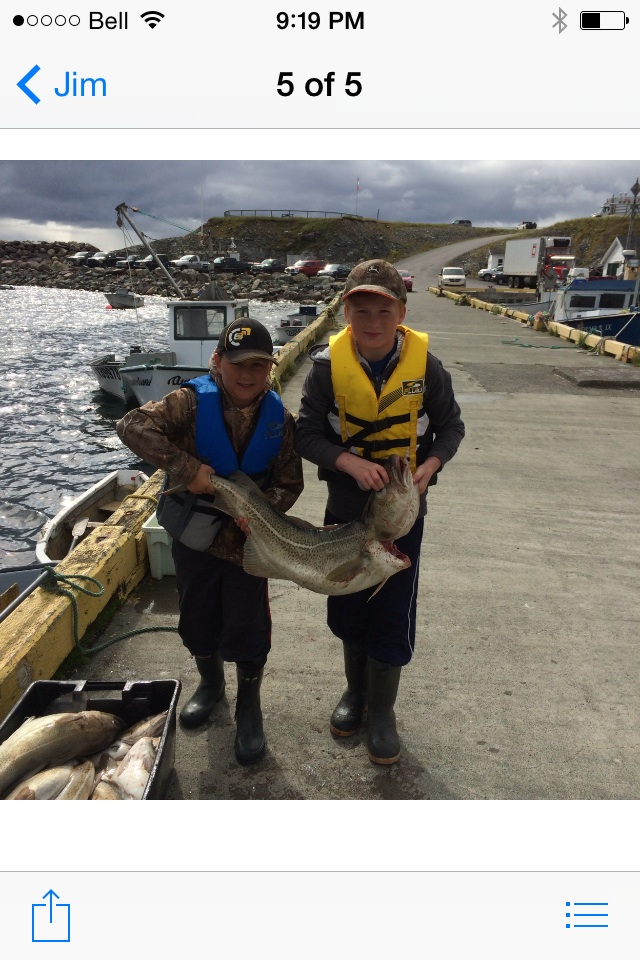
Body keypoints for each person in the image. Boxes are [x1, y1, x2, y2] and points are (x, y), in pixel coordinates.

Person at [295, 260, 465, 765]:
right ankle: (355, 692)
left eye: (383, 310)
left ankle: (383, 711)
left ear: (402, 313)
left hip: (400, 517)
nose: (372, 321)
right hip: (346, 512)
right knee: (348, 599)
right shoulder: (326, 367)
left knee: (391, 610)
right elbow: (306, 432)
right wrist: (345, 460)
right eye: (361, 309)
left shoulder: (427, 367)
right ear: (345, 312)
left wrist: (429, 466)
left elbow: (452, 427)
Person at [116, 318, 303, 765]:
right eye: (238, 363)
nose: (248, 374)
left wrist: (259, 511)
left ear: (270, 369)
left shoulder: (281, 419)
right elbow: (132, 425)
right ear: (217, 362)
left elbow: (290, 483)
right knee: (197, 618)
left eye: (259, 365)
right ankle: (211, 684)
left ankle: (249, 705)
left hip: (248, 548)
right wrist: (186, 468)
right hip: (195, 538)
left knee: (249, 626)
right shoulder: (188, 404)